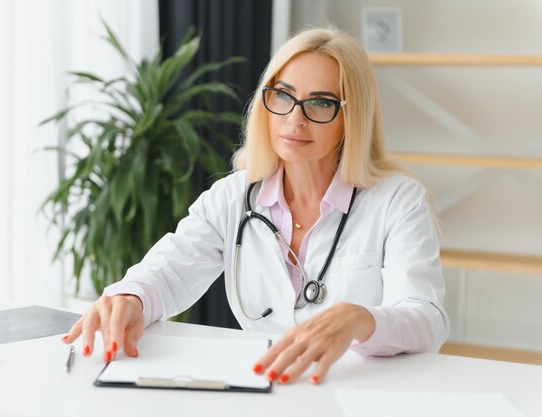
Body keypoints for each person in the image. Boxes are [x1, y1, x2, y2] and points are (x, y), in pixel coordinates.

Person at [61, 27, 449, 385]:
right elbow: (166, 272)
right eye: (283, 95)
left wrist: (362, 319)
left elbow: (427, 320)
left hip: (356, 393)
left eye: (320, 103)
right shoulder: (234, 196)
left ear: (352, 117)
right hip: (262, 389)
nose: (295, 119)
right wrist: (131, 298)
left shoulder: (398, 201)